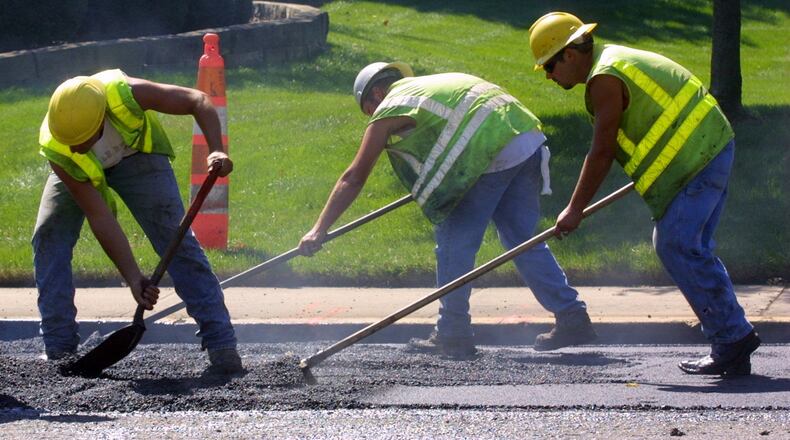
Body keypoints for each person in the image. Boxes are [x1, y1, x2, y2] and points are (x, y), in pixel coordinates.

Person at [298, 62, 595, 358]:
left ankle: (453, 332)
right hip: (525, 141)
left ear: (377, 92)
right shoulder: (433, 88)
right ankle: (572, 316)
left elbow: (353, 177)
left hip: (486, 153)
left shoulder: (391, 105)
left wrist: (318, 229)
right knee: (524, 240)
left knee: (454, 244)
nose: (374, 119)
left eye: (368, 110)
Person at [527, 12, 759, 375]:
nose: (550, 77)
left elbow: (601, 151)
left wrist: (573, 209)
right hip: (711, 147)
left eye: (549, 67)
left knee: (675, 244)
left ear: (569, 55)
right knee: (691, 248)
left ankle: (732, 337)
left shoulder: (604, 78)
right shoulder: (613, 60)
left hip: (695, 158)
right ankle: (732, 337)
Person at [33, 69, 242, 373]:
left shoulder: (125, 93)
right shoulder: (60, 146)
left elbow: (198, 100)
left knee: (175, 240)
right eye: (71, 141)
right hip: (79, 173)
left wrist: (217, 149)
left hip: (138, 158)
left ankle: (221, 344)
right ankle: (59, 349)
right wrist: (133, 278)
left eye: (82, 140)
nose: (75, 146)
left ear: (101, 120)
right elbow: (100, 217)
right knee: (48, 236)